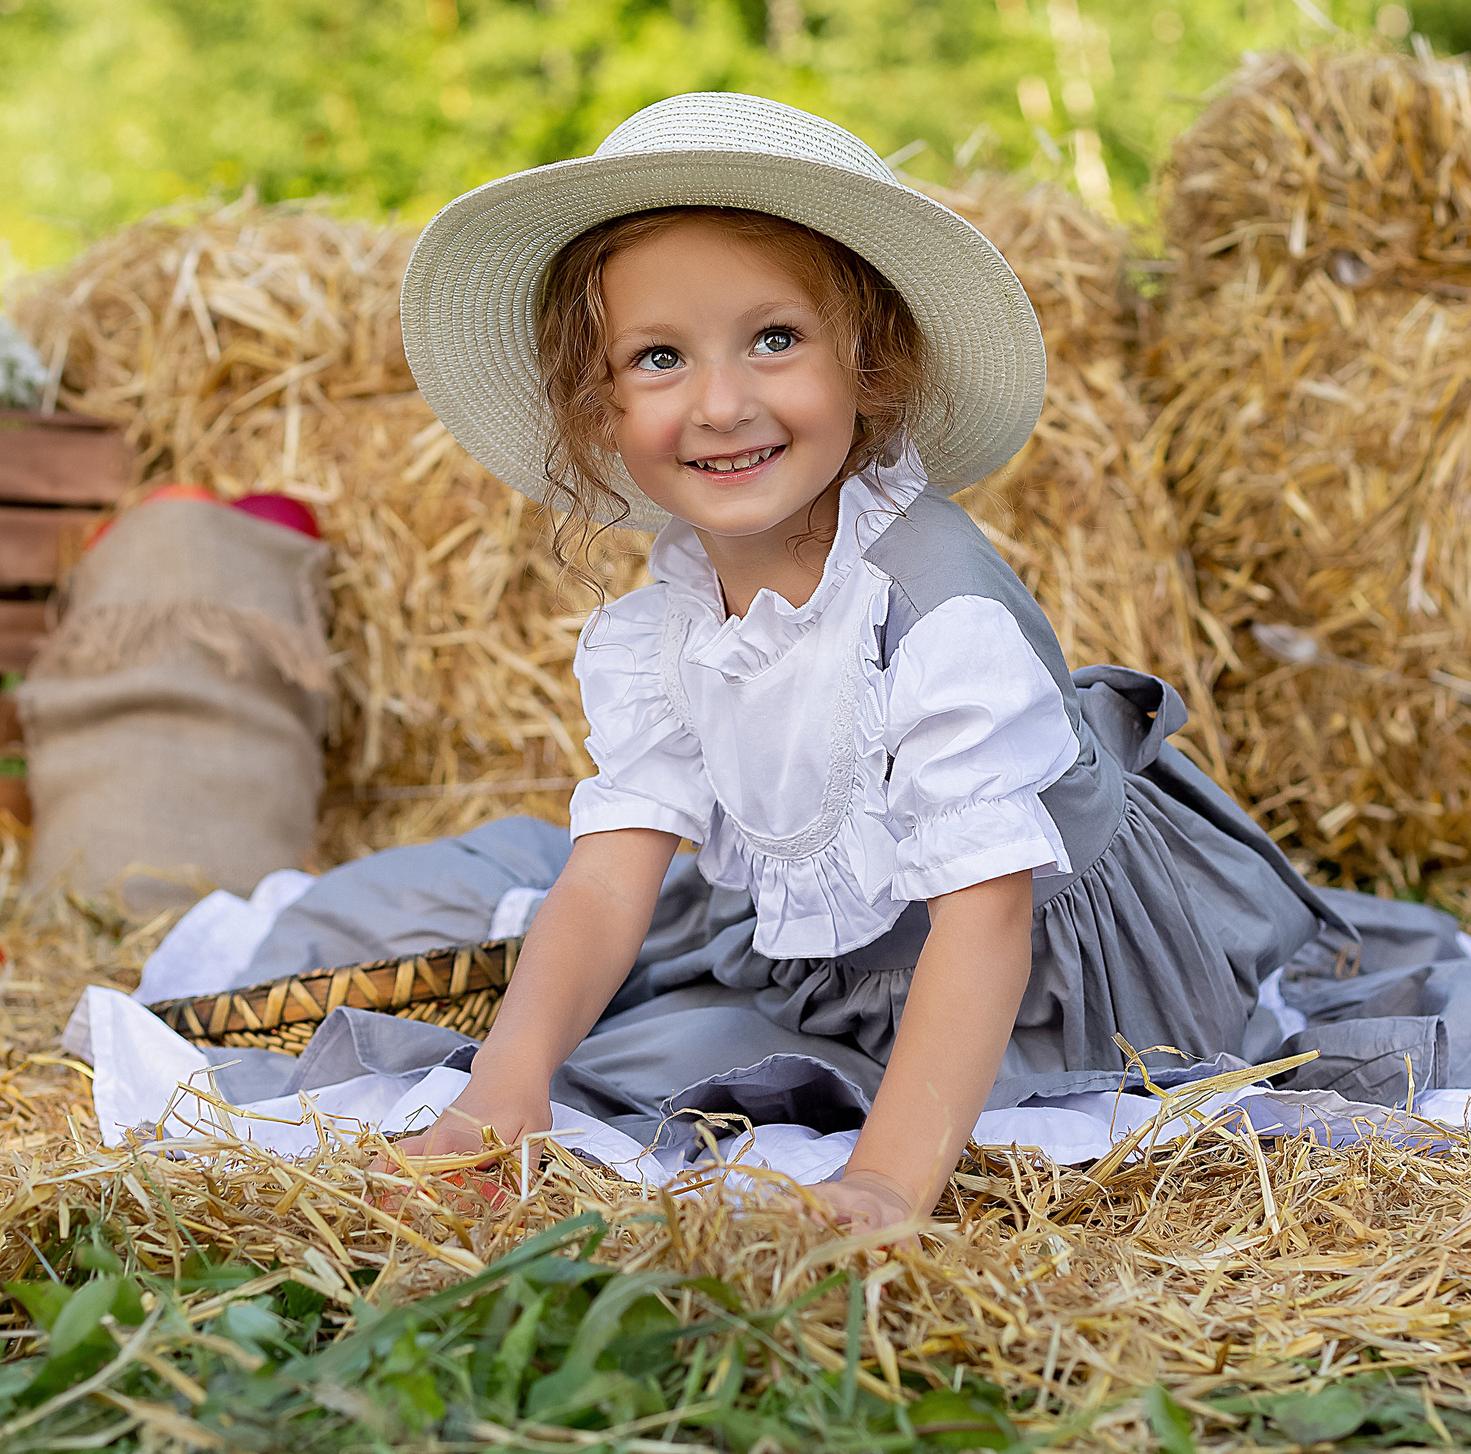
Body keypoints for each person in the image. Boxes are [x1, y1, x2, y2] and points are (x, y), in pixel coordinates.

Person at [393, 93, 1335, 1232]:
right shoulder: (681, 606)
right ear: (597, 411)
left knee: (708, 1065)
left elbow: (987, 918)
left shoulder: (932, 607)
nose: (722, 404)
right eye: (657, 358)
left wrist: (884, 1181)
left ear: (868, 367)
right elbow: (606, 874)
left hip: (1046, 966)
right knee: (602, 1045)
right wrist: (505, 1087)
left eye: (774, 339)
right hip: (867, 952)